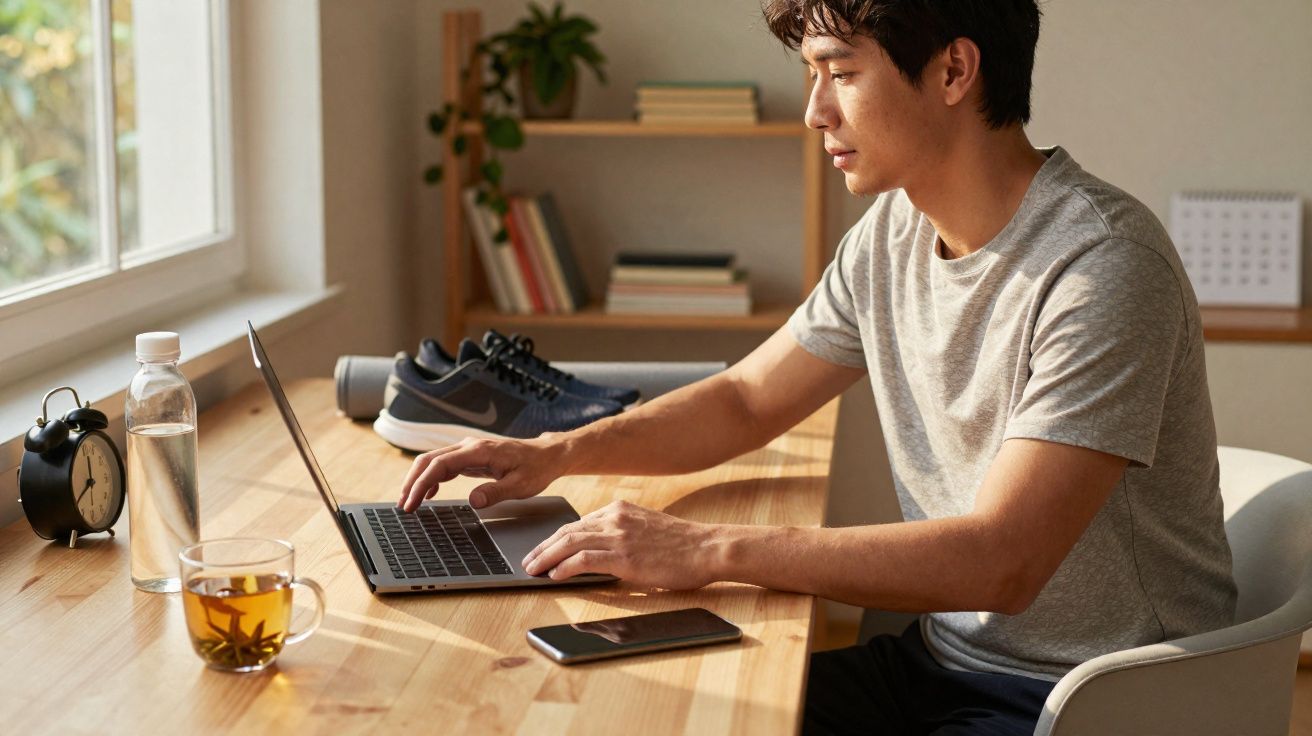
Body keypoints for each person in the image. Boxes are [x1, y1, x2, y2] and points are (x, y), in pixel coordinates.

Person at [397, 1, 1237, 732]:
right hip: (942, 664)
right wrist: (561, 451)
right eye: (810, 74)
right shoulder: (891, 237)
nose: (814, 112)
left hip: (1089, 699)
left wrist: (705, 548)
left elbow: (1002, 563)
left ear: (954, 70)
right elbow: (744, 399)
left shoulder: (1103, 268)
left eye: (839, 71)